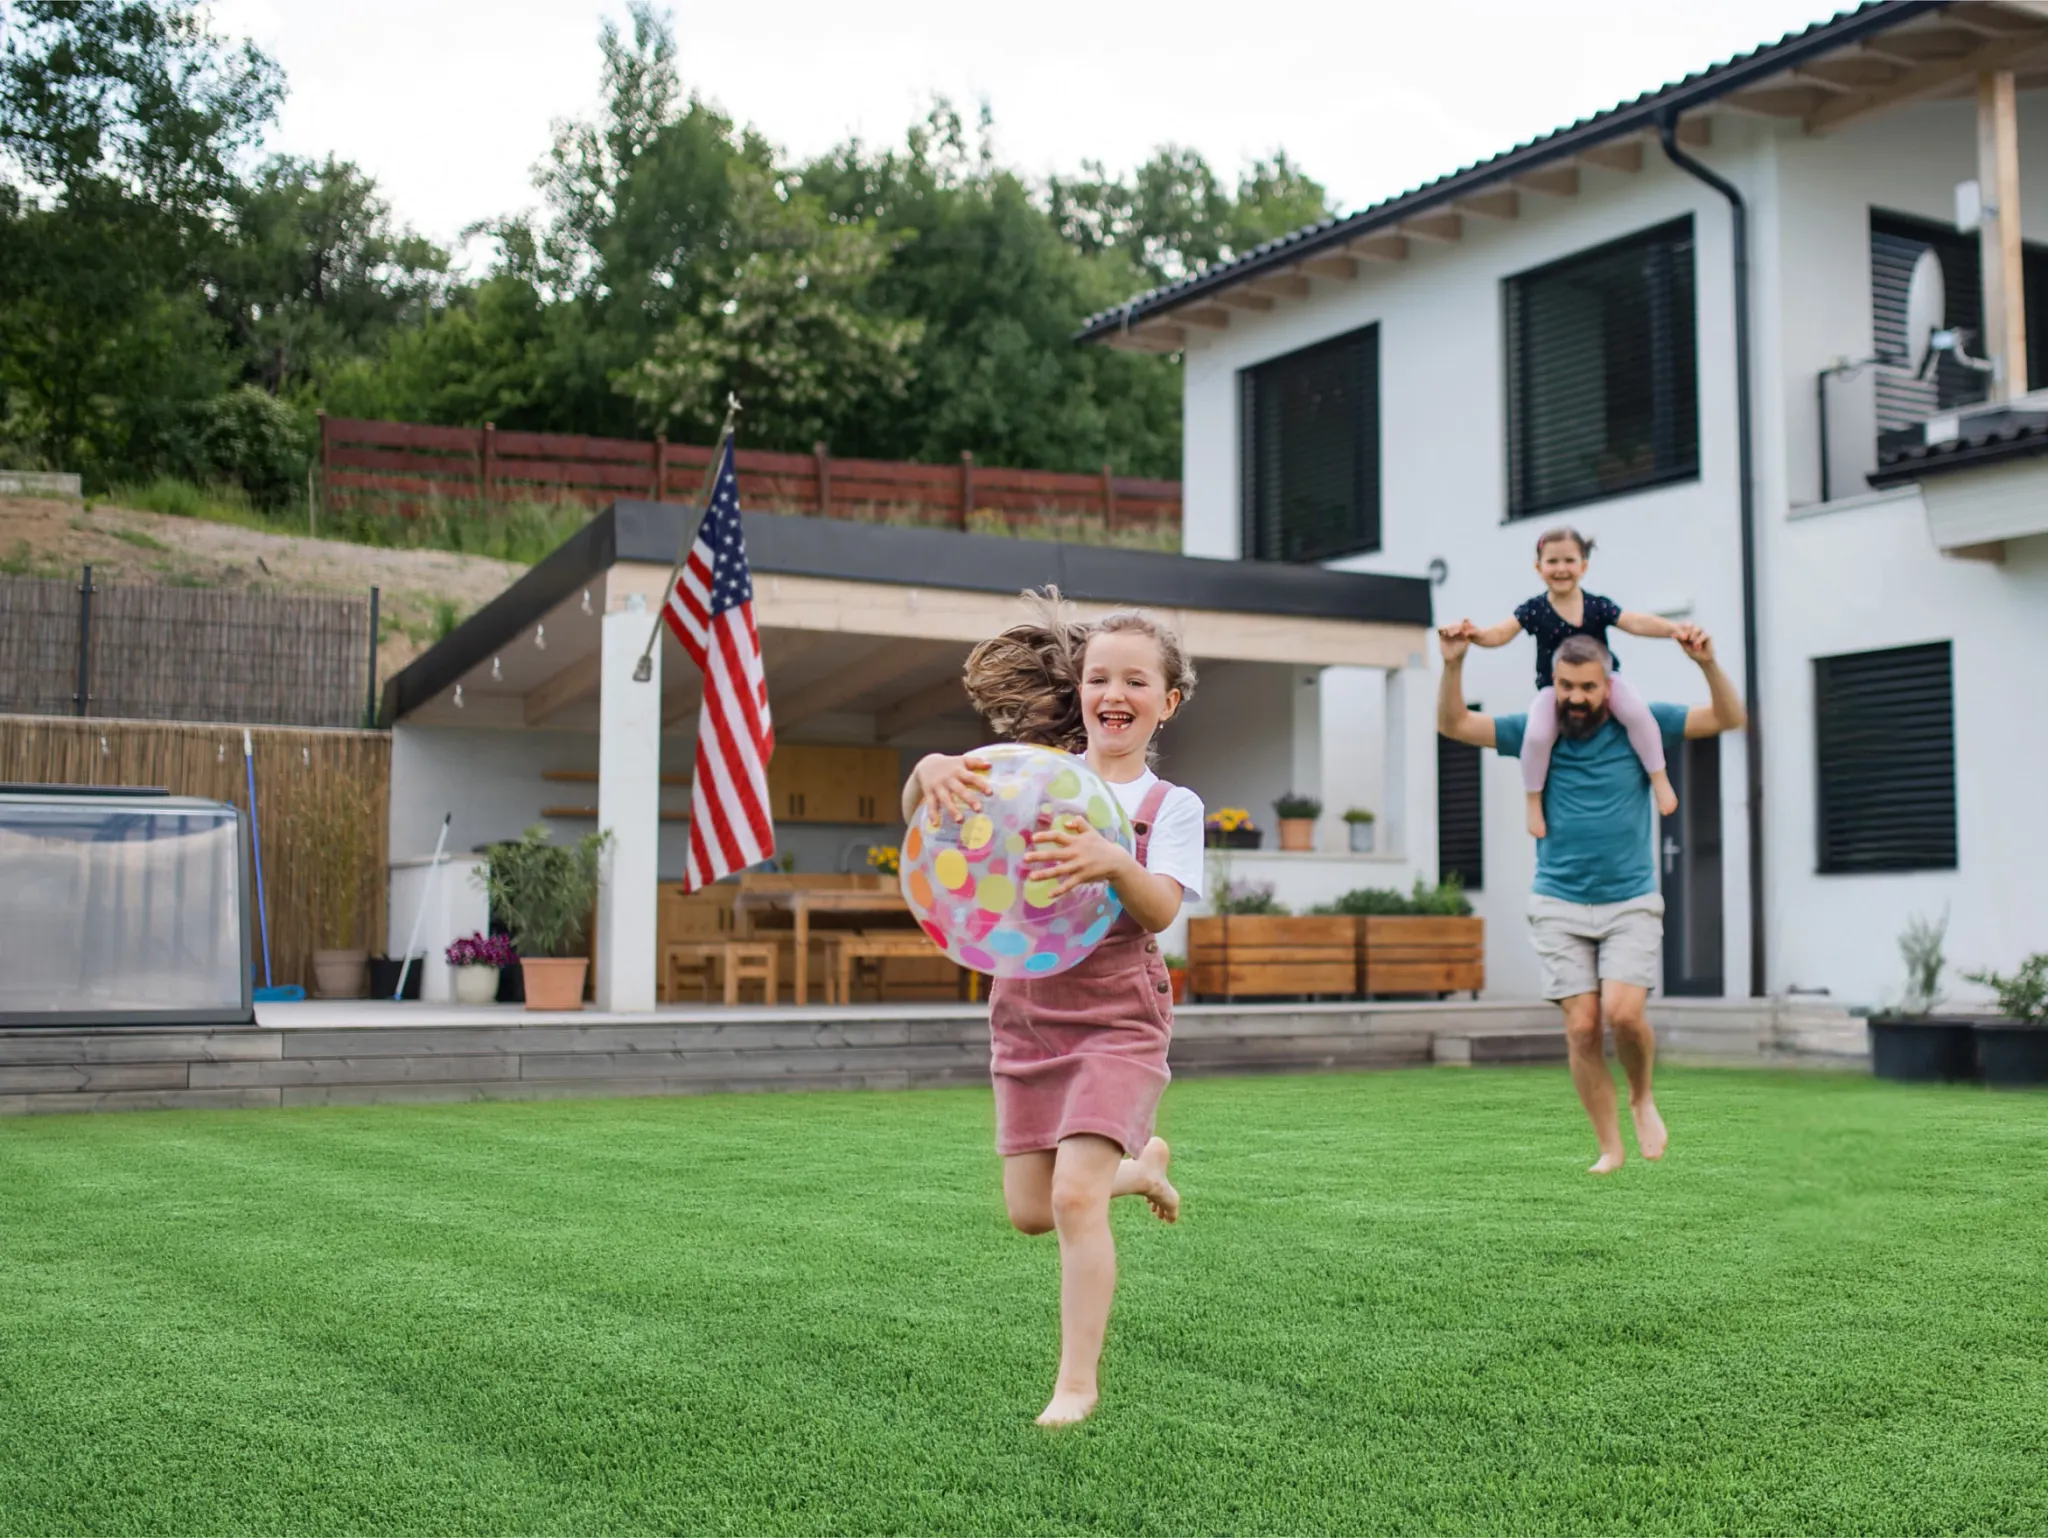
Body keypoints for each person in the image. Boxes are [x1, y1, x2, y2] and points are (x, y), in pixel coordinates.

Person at [901, 591, 1205, 1426]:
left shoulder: (1168, 807)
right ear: (1078, 692)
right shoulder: (1030, 775)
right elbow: (936, 825)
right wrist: (924, 775)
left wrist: (1113, 860)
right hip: (1028, 1010)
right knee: (1032, 1212)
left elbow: (1161, 911)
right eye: (1099, 677)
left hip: (1118, 1016)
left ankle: (1076, 1384)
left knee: (1073, 1198)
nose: (1115, 692)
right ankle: (1137, 1170)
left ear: (1165, 702)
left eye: (1136, 681)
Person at [1435, 622, 1746, 1174]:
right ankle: (1609, 1145)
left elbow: (1727, 718)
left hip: (1630, 899)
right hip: (1558, 900)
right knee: (1581, 1026)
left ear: (1609, 686)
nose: (1576, 699)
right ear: (1553, 682)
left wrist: (1707, 664)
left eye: (1588, 688)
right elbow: (1454, 725)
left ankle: (1641, 1096)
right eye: (1566, 686)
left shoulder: (1642, 724)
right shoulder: (1536, 731)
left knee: (1623, 1016)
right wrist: (1455, 663)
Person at [1452, 527, 1689, 840]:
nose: (1561, 568)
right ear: (1538, 568)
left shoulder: (1596, 606)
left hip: (1604, 683)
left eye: (1569, 560)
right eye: (1552, 562)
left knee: (1638, 713)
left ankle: (1659, 778)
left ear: (1583, 566)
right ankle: (1533, 799)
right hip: (1555, 690)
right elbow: (1500, 634)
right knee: (1536, 735)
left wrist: (1675, 629)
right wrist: (1476, 635)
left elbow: (1635, 622)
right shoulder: (1534, 610)